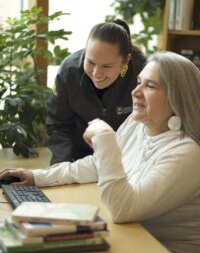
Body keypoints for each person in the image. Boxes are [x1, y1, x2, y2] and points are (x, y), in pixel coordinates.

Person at [0, 52, 200, 253]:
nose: (135, 92)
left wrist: (105, 138)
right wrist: (37, 176)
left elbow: (123, 209)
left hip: (161, 247)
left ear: (177, 97)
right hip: (130, 235)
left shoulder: (189, 153)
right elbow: (97, 165)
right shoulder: (137, 123)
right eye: (139, 82)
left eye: (150, 86)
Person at [47, 19, 146, 164]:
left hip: (126, 160)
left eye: (106, 66)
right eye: (90, 62)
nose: (96, 73)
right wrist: (60, 167)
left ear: (126, 60)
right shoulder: (69, 72)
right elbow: (59, 125)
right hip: (79, 159)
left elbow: (151, 125)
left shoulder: (143, 74)